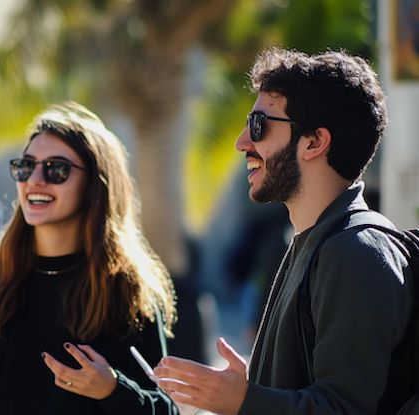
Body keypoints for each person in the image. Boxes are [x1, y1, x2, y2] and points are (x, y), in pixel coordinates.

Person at [154, 47, 414, 414]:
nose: (242, 142)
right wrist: (258, 385)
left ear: (314, 142)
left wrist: (245, 400)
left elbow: (343, 409)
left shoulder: (356, 252)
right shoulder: (313, 242)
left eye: (259, 126)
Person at [0, 101, 178, 415]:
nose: (34, 180)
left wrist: (112, 389)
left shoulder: (129, 291)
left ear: (95, 185)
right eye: (26, 166)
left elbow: (167, 409)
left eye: (56, 170)